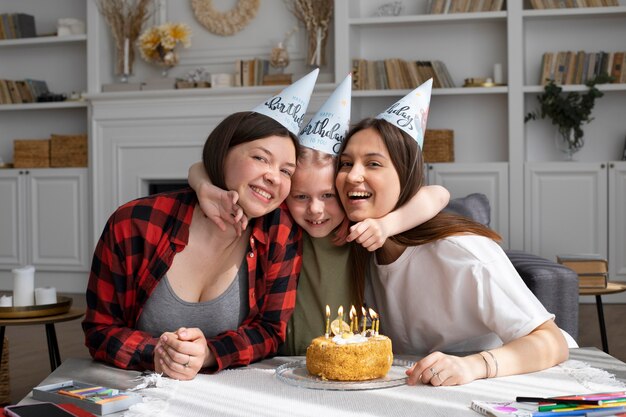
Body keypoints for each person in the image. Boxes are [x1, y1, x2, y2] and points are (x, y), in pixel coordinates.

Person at [82, 69, 320, 380]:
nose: (274, 176)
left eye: (286, 171)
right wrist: (156, 353)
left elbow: (270, 331)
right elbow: (99, 329)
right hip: (137, 387)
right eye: (261, 158)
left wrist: (209, 352)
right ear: (222, 154)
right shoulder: (134, 223)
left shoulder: (280, 232)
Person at [188, 74, 451, 355]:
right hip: (280, 359)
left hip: (351, 358)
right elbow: (199, 166)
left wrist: (385, 225)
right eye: (301, 197)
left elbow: (438, 194)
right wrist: (205, 188)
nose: (315, 209)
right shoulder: (279, 220)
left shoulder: (362, 224)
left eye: (328, 196)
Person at [335, 79, 570, 387]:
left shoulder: (462, 252)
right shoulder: (354, 250)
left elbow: (552, 342)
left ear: (406, 177)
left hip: (510, 383)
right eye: (345, 163)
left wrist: (473, 366)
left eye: (373, 164)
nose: (353, 175)